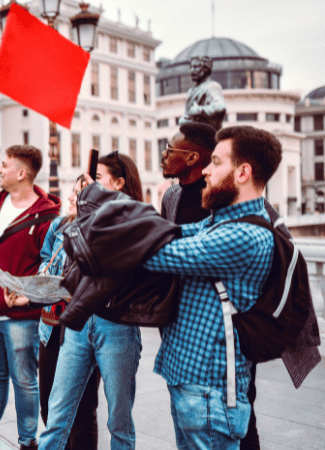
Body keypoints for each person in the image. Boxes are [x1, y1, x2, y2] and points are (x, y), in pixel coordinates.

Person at [144, 126, 283, 449]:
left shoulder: (243, 235)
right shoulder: (220, 221)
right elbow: (170, 234)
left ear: (243, 172)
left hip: (209, 394)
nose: (205, 169)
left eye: (216, 162)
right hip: (192, 385)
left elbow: (154, 254)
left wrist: (105, 213)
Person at [38, 152, 145, 450]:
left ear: (119, 183)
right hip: (78, 324)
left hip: (117, 328)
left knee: (119, 422)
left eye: (97, 180)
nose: (90, 186)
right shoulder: (79, 218)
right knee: (56, 414)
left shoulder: (136, 218)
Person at [0, 144, 61, 450]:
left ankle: (27, 442)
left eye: (4, 165)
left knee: (24, 382)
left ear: (21, 173)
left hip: (21, 318)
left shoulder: (47, 217)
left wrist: (29, 298)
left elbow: (50, 269)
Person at [6, 174, 101, 448]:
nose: (71, 197)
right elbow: (46, 264)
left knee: (81, 412)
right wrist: (29, 293)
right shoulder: (58, 227)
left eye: (79, 193)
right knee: (49, 407)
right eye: (72, 192)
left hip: (81, 331)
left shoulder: (101, 233)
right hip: (51, 327)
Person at [178, 55, 227, 131]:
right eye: (191, 67)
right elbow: (188, 114)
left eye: (196, 67)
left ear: (205, 69)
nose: (192, 70)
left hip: (207, 135)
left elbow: (220, 107)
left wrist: (199, 110)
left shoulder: (212, 86)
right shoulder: (191, 91)